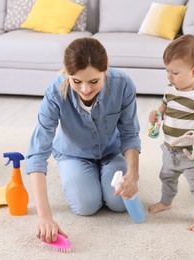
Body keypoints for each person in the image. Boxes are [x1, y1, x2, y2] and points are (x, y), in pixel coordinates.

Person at [26, 38, 141, 243]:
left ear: (105, 71)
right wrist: (44, 217)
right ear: (67, 73)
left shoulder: (123, 84)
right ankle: (80, 175)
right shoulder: (54, 93)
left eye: (94, 81)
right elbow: (38, 152)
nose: (86, 89)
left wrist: (132, 174)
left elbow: (129, 133)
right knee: (86, 206)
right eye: (76, 81)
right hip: (73, 154)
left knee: (119, 204)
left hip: (110, 151)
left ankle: (104, 176)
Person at [148, 34, 194, 232]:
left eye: (174, 72)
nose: (169, 76)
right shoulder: (171, 89)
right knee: (166, 178)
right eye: (167, 71)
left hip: (191, 153)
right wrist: (156, 115)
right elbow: (164, 106)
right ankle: (166, 201)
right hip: (170, 149)